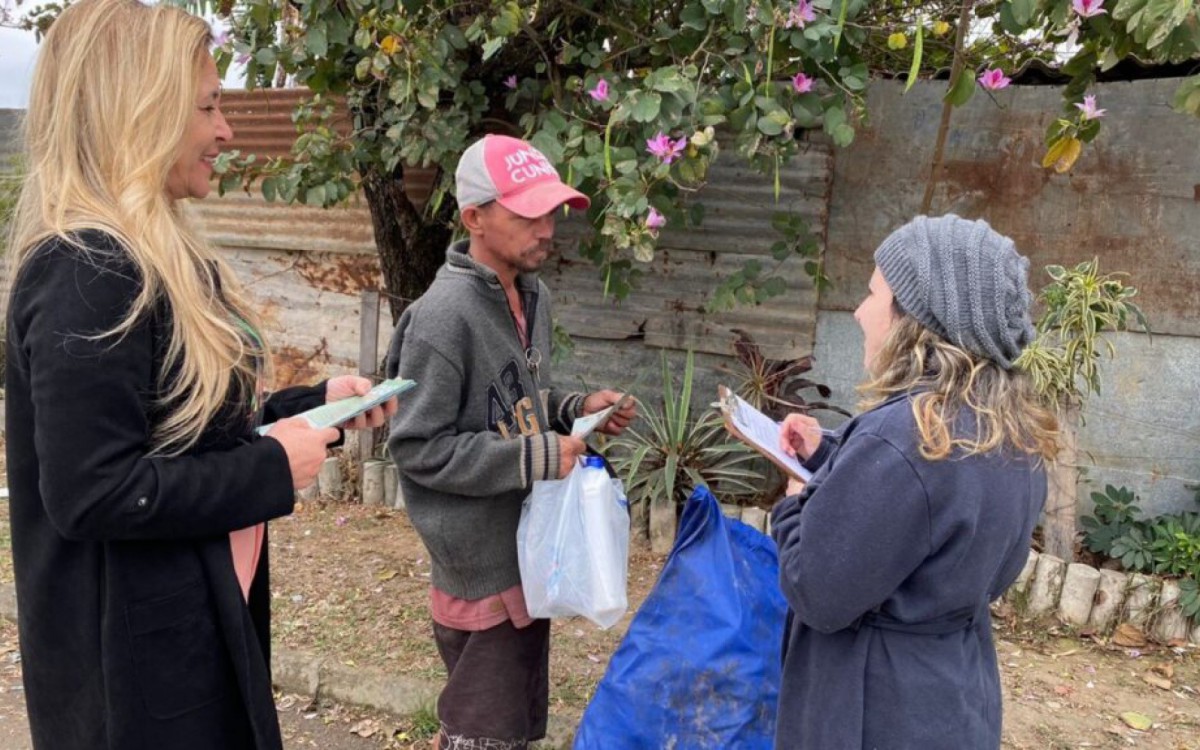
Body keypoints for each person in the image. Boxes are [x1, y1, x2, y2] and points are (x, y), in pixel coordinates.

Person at [3, 1, 395, 748]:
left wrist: (308, 411)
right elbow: (93, 492)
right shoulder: (89, 273)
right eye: (210, 107)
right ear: (139, 112)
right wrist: (273, 468)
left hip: (181, 647)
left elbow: (174, 430)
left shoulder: (149, 260)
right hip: (132, 691)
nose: (226, 132)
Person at [385, 133, 637, 749]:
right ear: (475, 217)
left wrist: (575, 410)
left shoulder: (531, 295)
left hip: (527, 554)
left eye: (552, 210)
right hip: (481, 572)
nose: (547, 227)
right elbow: (417, 448)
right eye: (528, 213)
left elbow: (513, 406)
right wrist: (538, 456)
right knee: (482, 738)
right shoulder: (443, 318)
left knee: (512, 731)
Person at [770, 214, 1060, 749]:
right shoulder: (1010, 431)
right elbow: (928, 504)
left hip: (870, 703)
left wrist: (796, 500)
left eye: (873, 294)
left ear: (916, 319)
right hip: (952, 691)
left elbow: (817, 591)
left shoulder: (902, 437)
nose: (858, 312)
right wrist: (830, 453)